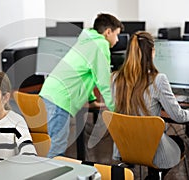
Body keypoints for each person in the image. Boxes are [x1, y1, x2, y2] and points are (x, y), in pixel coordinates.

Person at [39, 13, 124, 158]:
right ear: (108, 32)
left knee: (56, 143)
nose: (117, 40)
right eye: (116, 35)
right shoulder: (100, 44)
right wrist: (115, 110)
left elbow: (88, 74)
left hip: (52, 92)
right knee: (57, 147)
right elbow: (104, 82)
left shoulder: (87, 41)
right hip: (60, 97)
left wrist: (91, 100)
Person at [111, 31, 188, 179]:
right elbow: (179, 116)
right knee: (179, 141)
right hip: (151, 149)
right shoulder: (158, 80)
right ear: (152, 52)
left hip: (125, 147)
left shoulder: (115, 78)